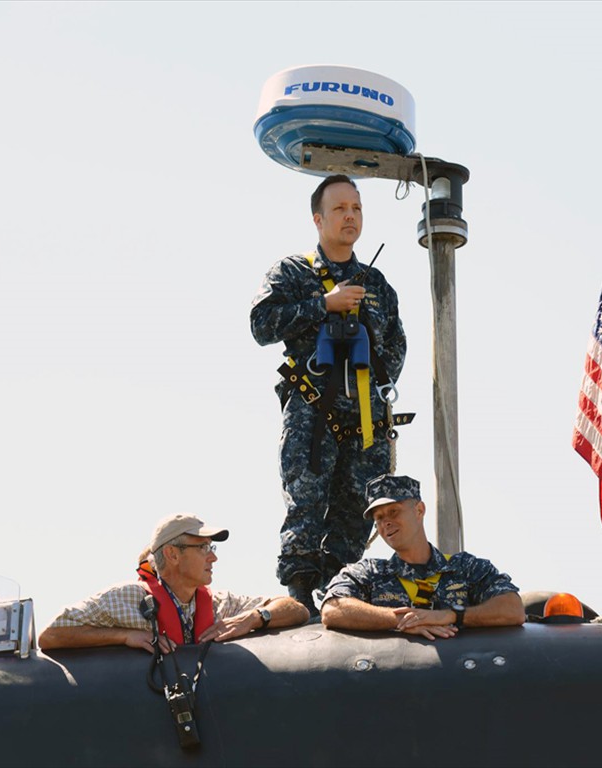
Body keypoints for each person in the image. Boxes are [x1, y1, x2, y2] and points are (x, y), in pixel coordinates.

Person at [250, 174, 408, 615]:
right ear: (318, 219)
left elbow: (396, 345)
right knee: (305, 504)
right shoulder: (293, 273)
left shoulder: (377, 285)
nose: (350, 217)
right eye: (340, 209)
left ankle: (340, 594)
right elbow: (261, 325)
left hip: (365, 420)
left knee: (358, 515)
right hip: (312, 415)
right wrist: (325, 305)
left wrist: (374, 389)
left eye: (356, 209)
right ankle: (299, 597)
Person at [39, 514, 309, 652]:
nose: (213, 557)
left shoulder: (221, 604)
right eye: (203, 547)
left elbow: (297, 609)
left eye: (211, 547)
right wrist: (123, 635)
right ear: (172, 554)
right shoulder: (125, 598)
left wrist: (254, 617)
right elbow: (51, 636)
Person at [321, 474, 525, 639]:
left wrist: (451, 615)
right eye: (379, 518)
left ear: (419, 510)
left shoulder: (466, 568)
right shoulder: (368, 573)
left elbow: (513, 608)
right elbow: (332, 609)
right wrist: (401, 620)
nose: (386, 523)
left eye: (394, 512)